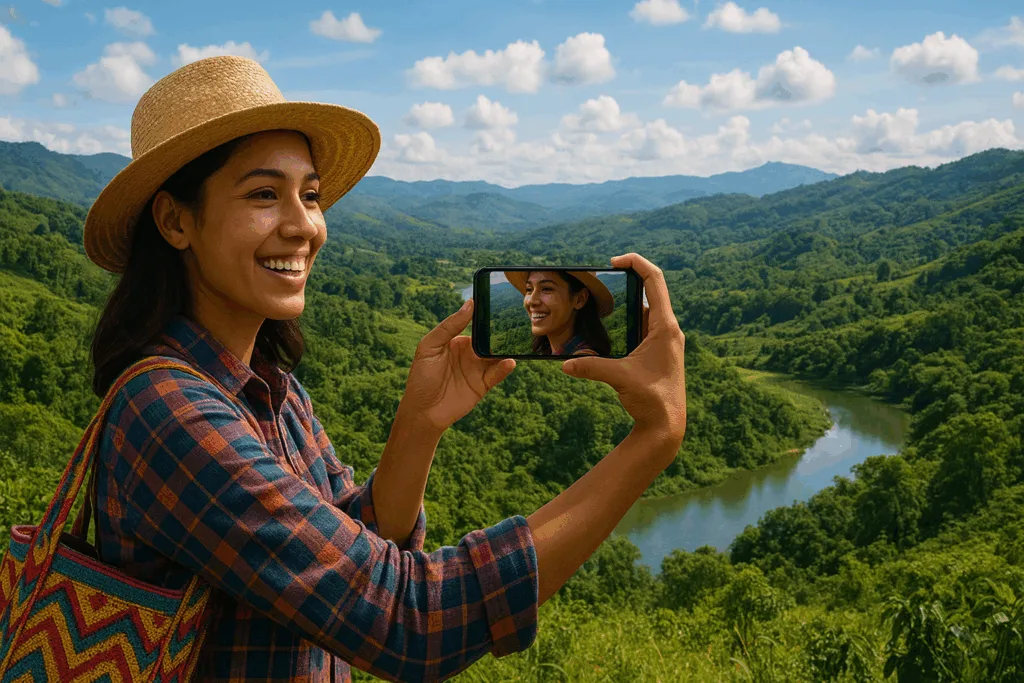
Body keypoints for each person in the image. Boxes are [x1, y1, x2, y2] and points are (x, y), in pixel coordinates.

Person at [85, 56, 686, 682]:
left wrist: (418, 425)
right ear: (175, 220)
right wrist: (654, 438)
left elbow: (354, 543)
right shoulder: (167, 411)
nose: (304, 226)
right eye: (264, 194)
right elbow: (409, 620)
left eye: (311, 195)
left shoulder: (270, 388)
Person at [502, 270, 614, 356]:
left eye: (546, 289)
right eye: (529, 289)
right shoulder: (558, 352)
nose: (531, 300)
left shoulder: (583, 361)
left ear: (580, 299)